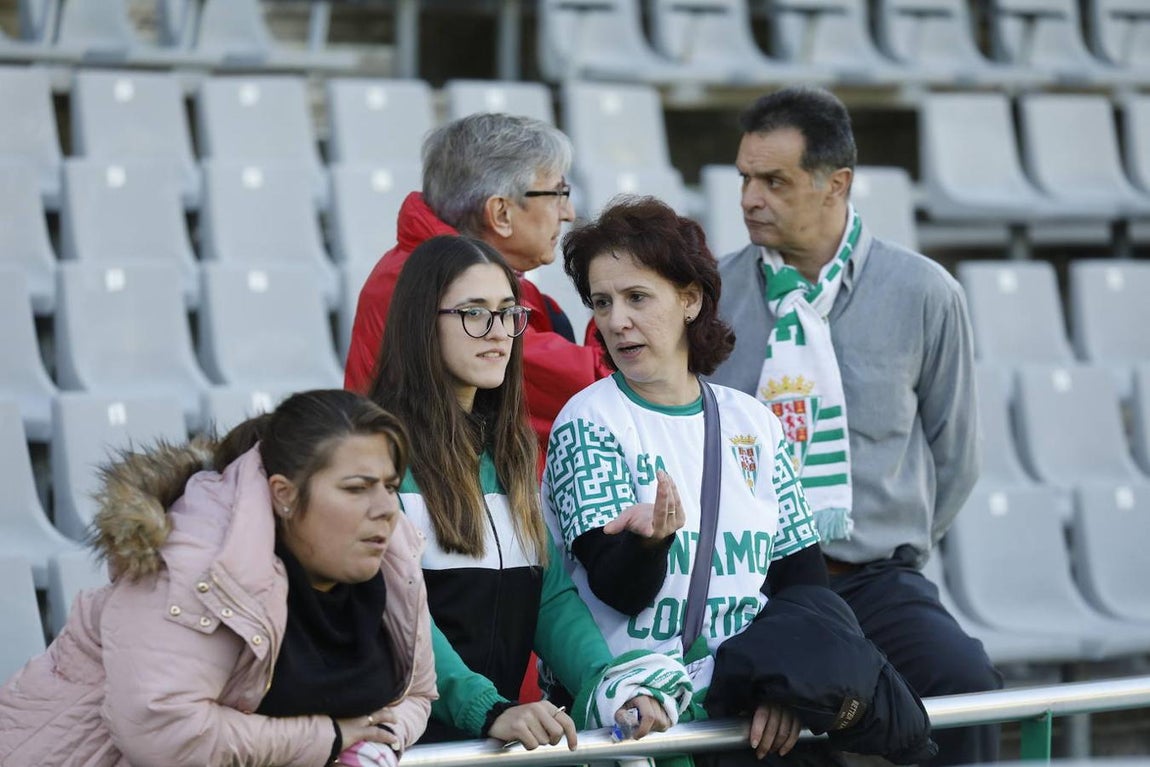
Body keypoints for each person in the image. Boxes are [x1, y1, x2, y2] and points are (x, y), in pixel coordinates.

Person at [708, 86, 1001, 766]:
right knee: (762, 725)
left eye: (774, 181)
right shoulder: (712, 296)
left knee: (967, 685)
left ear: (836, 184)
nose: (750, 197)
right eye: (745, 177)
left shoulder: (925, 293)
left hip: (873, 576)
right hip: (756, 582)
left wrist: (896, 546)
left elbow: (958, 454)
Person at [366, 234, 692, 749]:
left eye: (507, 313)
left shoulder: (509, 457)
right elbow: (400, 614)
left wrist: (609, 685)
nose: (498, 333)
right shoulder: (375, 456)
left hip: (490, 747)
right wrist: (488, 709)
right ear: (421, 323)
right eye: (475, 314)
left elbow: (550, 599)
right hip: (407, 749)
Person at [542, 197, 834, 763]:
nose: (615, 320)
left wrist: (783, 683)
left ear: (690, 300)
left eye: (637, 297)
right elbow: (616, 591)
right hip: (637, 722)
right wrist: (648, 544)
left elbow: (804, 584)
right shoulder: (589, 419)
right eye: (602, 302)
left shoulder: (753, 421)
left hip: (738, 710)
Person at [0, 390, 436, 767]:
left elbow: (416, 693)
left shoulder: (394, 560)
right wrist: (331, 739)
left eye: (390, 485)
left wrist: (375, 740)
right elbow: (163, 731)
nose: (384, 509)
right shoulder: (196, 564)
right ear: (284, 494)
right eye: (357, 488)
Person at [345, 112, 612, 451]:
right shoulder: (438, 282)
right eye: (557, 193)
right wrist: (615, 301)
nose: (569, 213)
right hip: (433, 491)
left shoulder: (428, 267)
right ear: (500, 213)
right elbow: (598, 394)